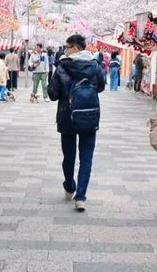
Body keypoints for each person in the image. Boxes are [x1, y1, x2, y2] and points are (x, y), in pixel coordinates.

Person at [47, 34, 105, 211]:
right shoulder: (95, 66)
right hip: (89, 115)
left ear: (75, 48)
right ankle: (81, 197)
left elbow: (52, 94)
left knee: (69, 156)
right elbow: (101, 86)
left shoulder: (63, 67)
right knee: (86, 157)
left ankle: (69, 185)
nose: (65, 49)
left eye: (67, 46)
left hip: (67, 117)